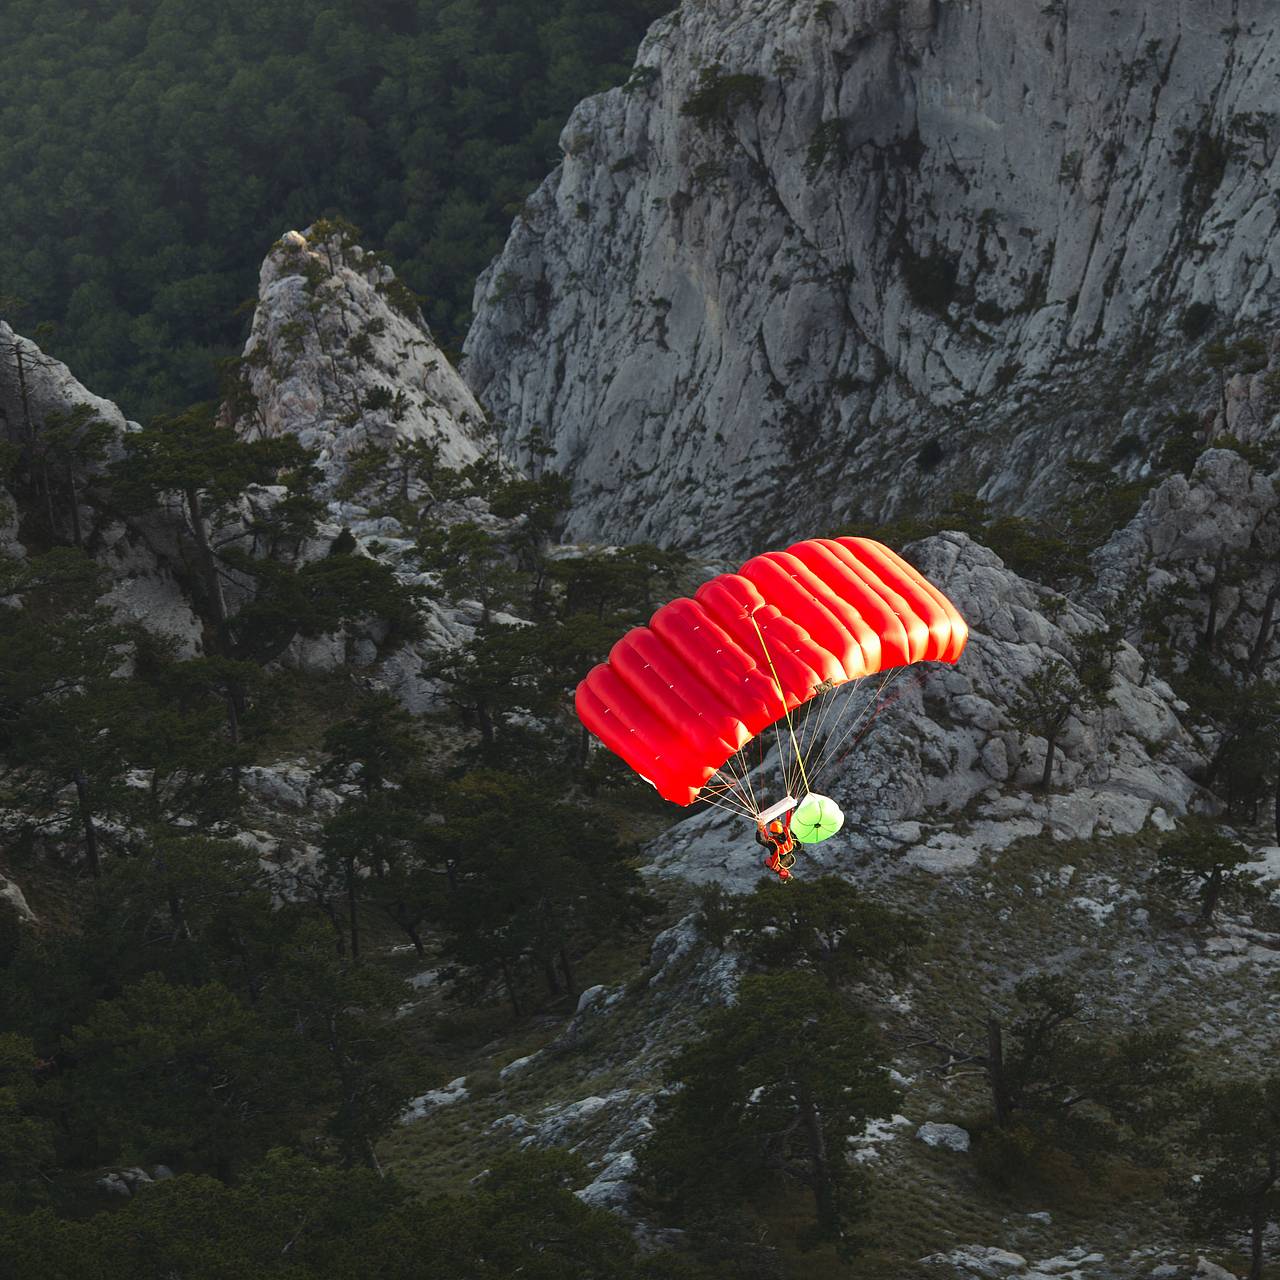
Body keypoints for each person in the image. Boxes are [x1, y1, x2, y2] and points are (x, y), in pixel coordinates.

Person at [755, 813, 797, 881]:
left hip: (778, 825)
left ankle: (776, 821)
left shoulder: (790, 844)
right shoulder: (774, 847)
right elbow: (760, 840)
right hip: (777, 851)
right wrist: (760, 830)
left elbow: (786, 827)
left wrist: (778, 821)